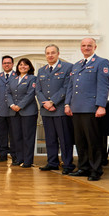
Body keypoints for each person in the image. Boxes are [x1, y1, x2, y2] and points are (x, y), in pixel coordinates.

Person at [65, 38, 109, 181]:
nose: (86, 48)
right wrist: (67, 104)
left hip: (91, 108)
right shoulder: (77, 65)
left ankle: (95, 170)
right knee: (80, 141)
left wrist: (101, 105)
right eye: (84, 46)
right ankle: (83, 167)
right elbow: (70, 87)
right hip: (76, 108)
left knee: (93, 141)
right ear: (80, 48)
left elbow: (103, 86)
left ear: (95, 47)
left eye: (89, 45)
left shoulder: (101, 62)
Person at [35, 44, 75, 174]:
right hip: (46, 110)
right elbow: (38, 90)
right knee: (50, 139)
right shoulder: (41, 70)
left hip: (60, 109)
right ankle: (52, 162)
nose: (50, 55)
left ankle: (68, 164)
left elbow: (67, 87)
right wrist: (45, 103)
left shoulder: (67, 67)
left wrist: (52, 102)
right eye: (48, 53)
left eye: (53, 53)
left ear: (58, 54)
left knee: (64, 139)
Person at [6, 58, 38, 168]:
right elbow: (8, 93)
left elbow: (30, 94)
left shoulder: (32, 78)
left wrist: (20, 106)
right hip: (14, 112)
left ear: (29, 67)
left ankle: (28, 161)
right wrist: (12, 105)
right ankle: (19, 159)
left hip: (28, 112)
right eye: (20, 65)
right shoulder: (13, 78)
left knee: (27, 136)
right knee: (16, 136)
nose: (22, 66)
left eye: (25, 65)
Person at [0, 55, 17, 163]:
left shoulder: (17, 76)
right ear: (2, 65)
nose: (7, 65)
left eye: (9, 63)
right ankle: (3, 154)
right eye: (5, 63)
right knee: (2, 134)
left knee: (14, 134)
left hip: (14, 111)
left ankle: (15, 155)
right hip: (0, 110)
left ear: (12, 64)